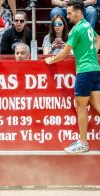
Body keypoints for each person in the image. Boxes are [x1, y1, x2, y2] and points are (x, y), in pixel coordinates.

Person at [45, 0, 100, 153]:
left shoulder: (76, 29)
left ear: (78, 12)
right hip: (95, 69)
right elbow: (98, 39)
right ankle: (83, 142)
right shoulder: (88, 25)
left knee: (80, 107)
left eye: (69, 13)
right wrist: (92, 53)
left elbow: (64, 53)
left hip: (84, 71)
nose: (67, 16)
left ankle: (83, 143)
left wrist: (51, 60)